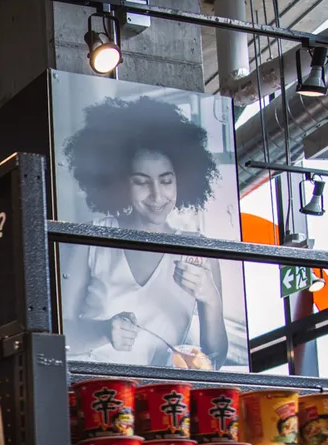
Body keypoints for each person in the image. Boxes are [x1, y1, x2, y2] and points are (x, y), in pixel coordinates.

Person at [59, 95, 230, 368]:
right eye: (141, 182)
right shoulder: (90, 239)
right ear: (120, 184)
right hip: (91, 389)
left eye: (166, 181)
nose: (156, 195)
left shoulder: (199, 251)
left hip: (160, 396)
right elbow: (58, 336)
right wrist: (103, 331)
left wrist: (210, 297)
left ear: (181, 180)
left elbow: (215, 360)